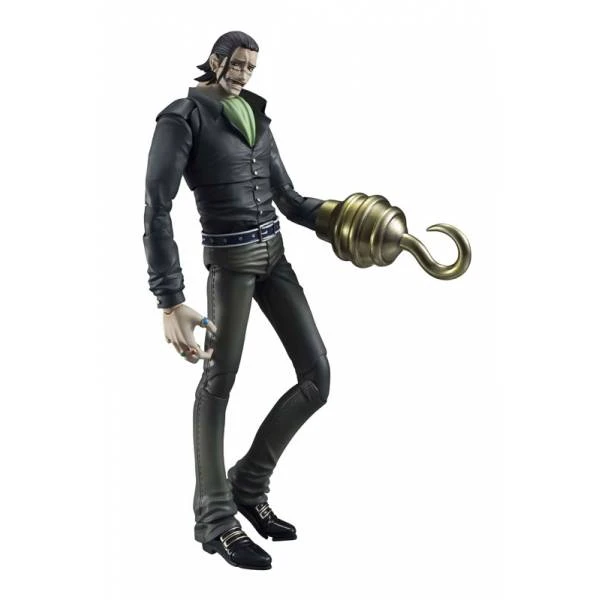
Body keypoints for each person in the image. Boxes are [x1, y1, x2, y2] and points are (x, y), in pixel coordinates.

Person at [143, 31, 330, 570]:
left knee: (317, 379)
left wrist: (345, 219)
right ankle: (214, 517)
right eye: (238, 63)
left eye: (251, 66)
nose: (244, 73)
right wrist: (169, 299)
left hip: (275, 257)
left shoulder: (256, 115)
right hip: (230, 264)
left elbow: (289, 199)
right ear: (216, 60)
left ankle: (248, 483)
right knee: (218, 382)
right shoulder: (183, 117)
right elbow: (156, 207)